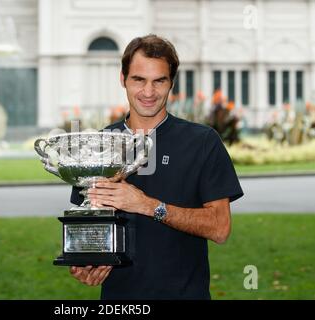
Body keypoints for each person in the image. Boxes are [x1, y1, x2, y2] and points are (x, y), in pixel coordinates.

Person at [69, 34, 244, 300]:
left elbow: (220, 228)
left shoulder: (203, 142)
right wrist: (86, 261)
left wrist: (148, 206)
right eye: (139, 79)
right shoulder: (97, 146)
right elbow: (87, 225)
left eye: (159, 81)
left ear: (171, 83)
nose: (148, 92)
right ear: (123, 79)